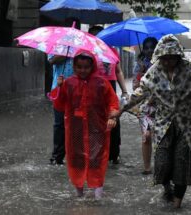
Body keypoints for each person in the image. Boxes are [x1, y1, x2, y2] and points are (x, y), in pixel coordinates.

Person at [111, 35, 191, 208]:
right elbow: (140, 93)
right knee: (162, 161)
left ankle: (177, 203)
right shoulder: (154, 72)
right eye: (165, 58)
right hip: (164, 124)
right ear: (160, 57)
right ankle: (167, 188)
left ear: (179, 56)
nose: (168, 61)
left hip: (188, 124)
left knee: (182, 161)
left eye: (172, 57)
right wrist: (120, 110)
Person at [50, 51, 119, 199]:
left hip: (97, 129)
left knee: (97, 158)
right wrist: (60, 88)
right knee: (76, 158)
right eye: (79, 67)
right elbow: (59, 105)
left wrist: (112, 117)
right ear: (73, 66)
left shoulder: (101, 83)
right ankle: (79, 193)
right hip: (76, 130)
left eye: (86, 67)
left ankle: (98, 194)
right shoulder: (68, 83)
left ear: (92, 66)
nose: (82, 70)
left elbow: (112, 102)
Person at [88, 25, 129, 164]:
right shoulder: (88, 53)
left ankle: (114, 153)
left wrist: (124, 91)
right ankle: (97, 153)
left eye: (100, 35)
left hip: (110, 87)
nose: (98, 38)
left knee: (114, 119)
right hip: (94, 88)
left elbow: (118, 71)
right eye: (94, 36)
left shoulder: (112, 50)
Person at [48, 19, 79, 165]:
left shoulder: (82, 45)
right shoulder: (56, 42)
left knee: (75, 122)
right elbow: (52, 60)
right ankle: (57, 156)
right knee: (59, 123)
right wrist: (66, 51)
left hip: (77, 89)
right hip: (58, 88)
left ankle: (74, 155)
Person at [132, 37, 158, 175]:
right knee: (146, 136)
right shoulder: (139, 64)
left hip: (161, 105)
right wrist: (141, 74)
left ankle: (161, 164)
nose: (149, 50)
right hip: (144, 106)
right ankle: (147, 167)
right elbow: (135, 87)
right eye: (146, 47)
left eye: (151, 47)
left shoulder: (162, 63)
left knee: (161, 136)